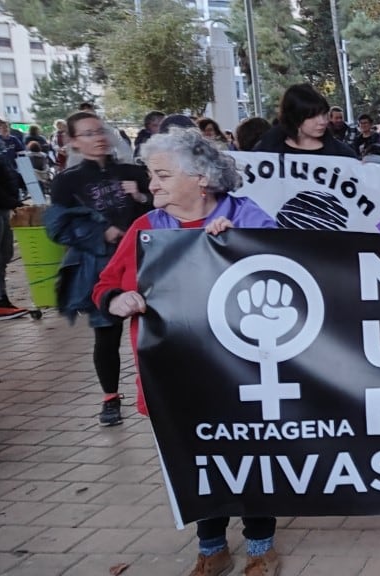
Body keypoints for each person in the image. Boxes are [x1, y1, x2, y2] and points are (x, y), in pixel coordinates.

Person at [92, 128, 282, 576]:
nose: (151, 185)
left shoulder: (246, 216)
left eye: (161, 175)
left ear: (200, 178)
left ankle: (261, 549)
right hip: (174, 374)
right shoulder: (145, 228)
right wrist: (116, 300)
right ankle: (211, 548)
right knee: (193, 461)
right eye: (150, 175)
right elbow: (106, 283)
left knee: (249, 457)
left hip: (243, 373)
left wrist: (244, 245)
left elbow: (291, 267)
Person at [46, 111, 151, 427]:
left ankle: (159, 391)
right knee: (106, 335)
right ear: (74, 141)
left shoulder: (135, 171)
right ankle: (110, 397)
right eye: (89, 133)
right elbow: (58, 227)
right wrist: (98, 234)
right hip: (101, 267)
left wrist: (141, 195)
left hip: (146, 260)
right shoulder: (67, 181)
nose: (98, 138)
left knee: (153, 331)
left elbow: (164, 209)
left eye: (100, 130)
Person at [0, 102, 27, 326]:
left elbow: (7, 173)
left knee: (3, 254)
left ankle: (2, 299)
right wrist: (10, 200)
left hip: (0, 207)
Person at [254, 85, 358, 158]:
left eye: (324, 114)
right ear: (294, 116)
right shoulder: (266, 150)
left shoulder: (342, 154)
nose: (322, 121)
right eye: (312, 116)